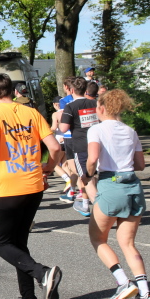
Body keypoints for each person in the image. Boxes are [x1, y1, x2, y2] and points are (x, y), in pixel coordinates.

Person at [0, 73, 62, 299]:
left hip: (8, 187)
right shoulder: (31, 112)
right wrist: (49, 167)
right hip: (33, 186)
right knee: (19, 245)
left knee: (1, 243)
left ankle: (43, 273)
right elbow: (55, 147)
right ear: (11, 91)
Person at [85, 89, 150, 299]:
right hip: (133, 186)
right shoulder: (130, 131)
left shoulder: (96, 129)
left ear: (101, 108)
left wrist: (87, 175)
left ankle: (123, 282)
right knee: (128, 243)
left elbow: (92, 159)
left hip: (110, 184)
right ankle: (146, 293)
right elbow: (140, 165)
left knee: (98, 238)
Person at [59, 77, 98, 217]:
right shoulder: (95, 103)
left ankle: (102, 211)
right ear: (85, 89)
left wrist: (59, 119)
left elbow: (63, 128)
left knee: (86, 179)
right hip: (98, 143)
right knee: (96, 177)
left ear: (72, 90)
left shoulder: (70, 106)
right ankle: (88, 204)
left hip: (81, 146)